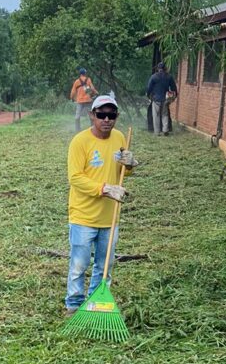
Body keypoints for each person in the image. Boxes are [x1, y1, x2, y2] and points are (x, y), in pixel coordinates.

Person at [65, 94, 136, 315]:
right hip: (83, 216)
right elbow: (75, 178)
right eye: (101, 114)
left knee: (105, 266)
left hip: (110, 216)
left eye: (111, 114)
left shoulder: (119, 138)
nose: (107, 119)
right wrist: (105, 189)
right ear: (91, 115)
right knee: (79, 265)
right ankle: (74, 304)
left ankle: (96, 302)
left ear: (116, 116)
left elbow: (123, 170)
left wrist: (131, 164)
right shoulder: (80, 142)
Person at [146, 62, 177, 136]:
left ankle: (157, 132)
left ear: (158, 69)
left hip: (156, 99)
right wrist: (173, 97)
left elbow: (149, 88)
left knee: (156, 115)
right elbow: (174, 88)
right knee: (165, 115)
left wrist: (148, 95)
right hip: (165, 99)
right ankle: (165, 130)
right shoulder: (169, 77)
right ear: (165, 68)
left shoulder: (154, 77)